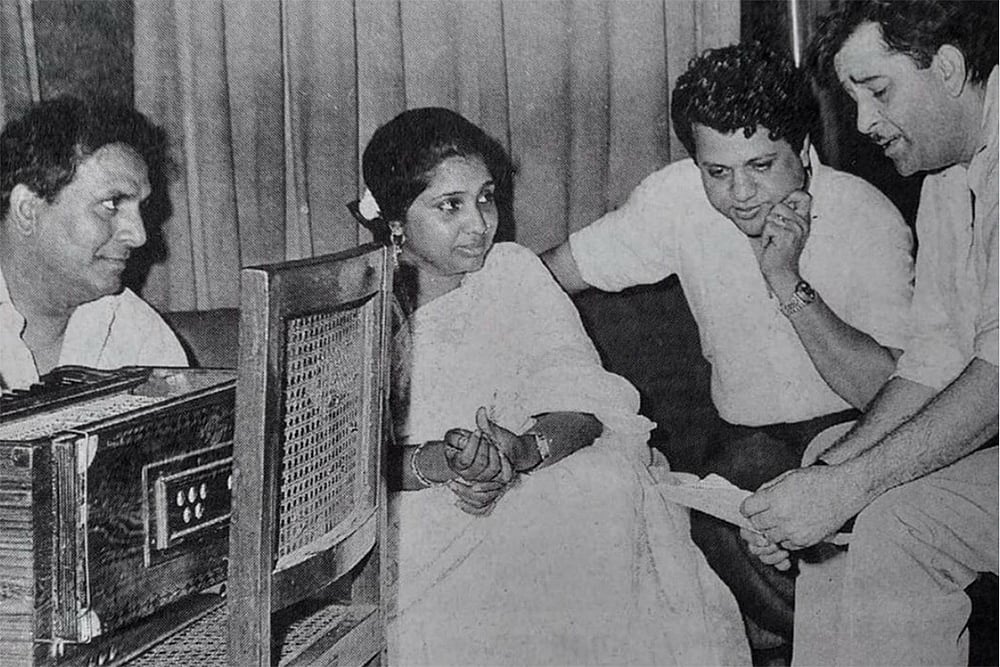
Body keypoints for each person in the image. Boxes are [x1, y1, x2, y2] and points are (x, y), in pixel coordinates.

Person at [540, 41, 914, 651]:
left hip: (857, 436)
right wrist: (461, 291)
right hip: (745, 446)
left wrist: (785, 281)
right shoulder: (675, 197)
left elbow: (889, 391)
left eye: (762, 165)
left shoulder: (864, 217)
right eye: (718, 172)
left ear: (804, 147)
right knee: (723, 507)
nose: (740, 193)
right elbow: (559, 270)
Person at [353, 107, 750, 665]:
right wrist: (445, 463)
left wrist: (521, 451)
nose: (479, 223)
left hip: (536, 480)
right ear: (396, 218)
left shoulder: (512, 272)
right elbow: (341, 472)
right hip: (416, 519)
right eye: (450, 206)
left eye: (486, 198)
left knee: (594, 486)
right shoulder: (358, 306)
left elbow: (587, 407)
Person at [741, 2, 998, 665]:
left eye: (877, 90)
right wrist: (824, 482)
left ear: (947, 68)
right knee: (829, 452)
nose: (861, 122)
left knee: (900, 519)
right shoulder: (949, 174)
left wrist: (848, 490)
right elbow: (936, 358)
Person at [0, 97, 187, 391]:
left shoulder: (136, 332)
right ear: (27, 209)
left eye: (142, 207)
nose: (139, 236)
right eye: (112, 203)